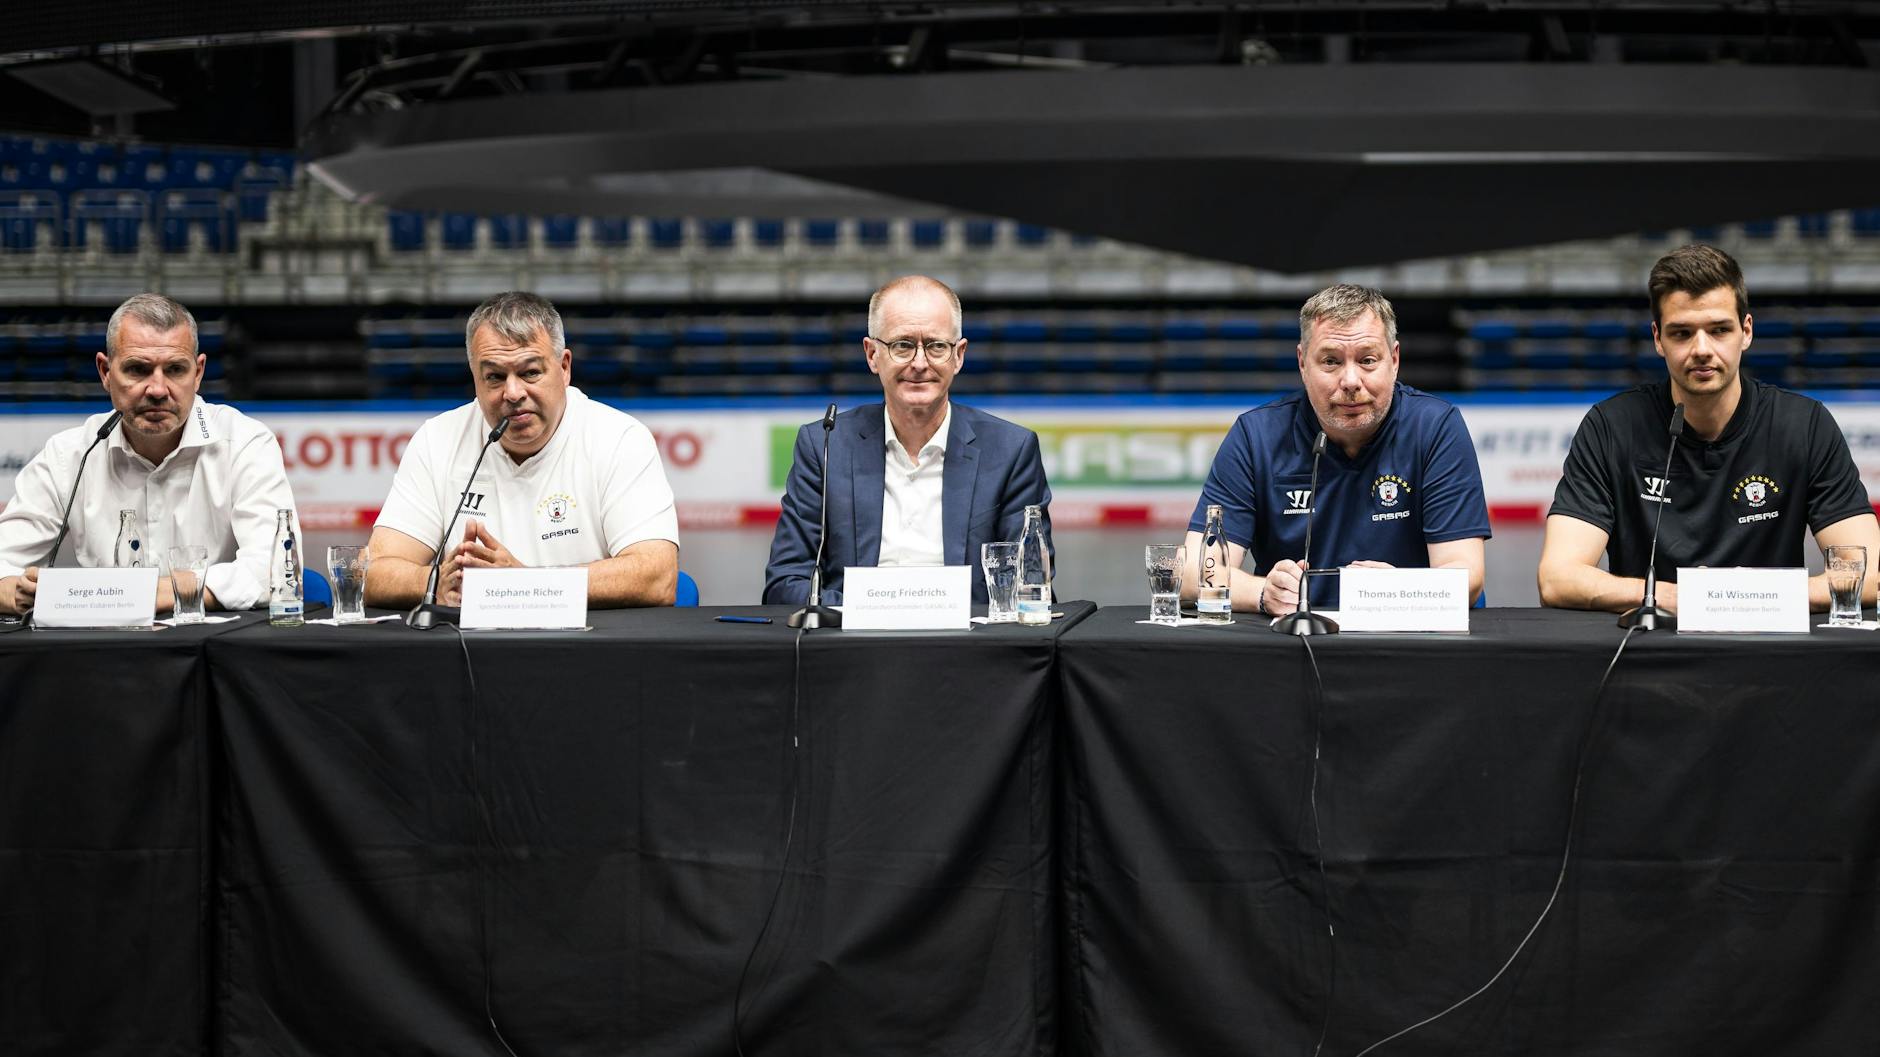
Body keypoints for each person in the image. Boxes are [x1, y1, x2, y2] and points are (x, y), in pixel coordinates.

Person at [1539, 244, 1880, 613]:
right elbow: (1558, 579)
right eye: (1682, 333)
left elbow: (1870, 576)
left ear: (1746, 331)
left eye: (1719, 330)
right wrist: (1683, 596)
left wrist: (1737, 596)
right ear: (1658, 339)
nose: (1702, 349)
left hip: (1772, 644)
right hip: (1651, 643)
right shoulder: (1610, 427)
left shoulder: (1805, 425)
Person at [1184, 283, 1490, 614]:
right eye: (1331, 361)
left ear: (1394, 360)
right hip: (1299, 635)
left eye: (1368, 360)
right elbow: (1191, 573)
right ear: (1303, 363)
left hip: (1412, 634)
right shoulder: (1255, 436)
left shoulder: (1435, 427)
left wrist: (1398, 590)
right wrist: (1262, 593)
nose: (1351, 381)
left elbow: (1466, 576)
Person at [365, 291, 678, 608]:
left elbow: (657, 576)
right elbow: (371, 572)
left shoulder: (621, 439)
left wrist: (523, 584)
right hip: (467, 639)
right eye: (495, 377)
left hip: (588, 638)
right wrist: (437, 582)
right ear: (475, 378)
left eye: (530, 372)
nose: (513, 393)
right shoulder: (437, 440)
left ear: (564, 368)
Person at [0, 293, 297, 616]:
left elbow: (276, 569)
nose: (157, 389)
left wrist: (139, 594)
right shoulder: (68, 455)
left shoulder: (245, 443)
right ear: (105, 372)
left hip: (213, 644)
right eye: (138, 370)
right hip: (103, 645)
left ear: (198, 373)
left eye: (175, 370)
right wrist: (17, 593)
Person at [764, 275, 1052, 605]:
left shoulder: (1011, 450)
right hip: (851, 635)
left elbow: (1030, 586)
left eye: (936, 346)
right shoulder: (824, 446)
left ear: (958, 356)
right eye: (902, 345)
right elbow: (784, 583)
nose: (919, 363)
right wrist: (871, 609)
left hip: (968, 637)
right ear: (872, 354)